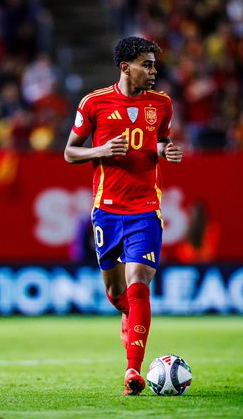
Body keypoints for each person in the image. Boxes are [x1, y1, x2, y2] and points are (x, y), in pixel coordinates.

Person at [64, 36, 183, 395]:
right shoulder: (94, 103)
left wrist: (165, 151)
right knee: (117, 293)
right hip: (107, 211)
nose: (153, 71)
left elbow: (157, 140)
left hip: (146, 208)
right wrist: (100, 149)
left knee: (139, 282)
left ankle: (133, 371)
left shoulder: (162, 104)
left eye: (153, 65)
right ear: (125, 67)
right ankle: (126, 315)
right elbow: (70, 153)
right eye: (146, 64)